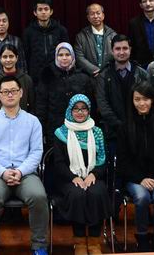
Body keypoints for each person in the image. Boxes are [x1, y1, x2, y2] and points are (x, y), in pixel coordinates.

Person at [0, 76, 48, 255]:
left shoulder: (33, 121)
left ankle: (39, 246)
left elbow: (36, 152)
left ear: (21, 93)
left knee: (39, 196)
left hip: (26, 174)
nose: (10, 95)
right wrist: (3, 172)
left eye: (14, 91)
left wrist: (20, 171)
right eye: (5, 92)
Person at [116, 83, 154, 252]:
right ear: (132, 101)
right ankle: (142, 237)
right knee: (142, 197)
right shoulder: (124, 127)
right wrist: (140, 179)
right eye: (137, 99)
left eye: (146, 99)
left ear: (153, 100)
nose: (142, 103)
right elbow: (123, 161)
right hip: (135, 179)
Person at [50, 94, 109, 255]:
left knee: (97, 193)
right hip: (68, 178)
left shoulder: (97, 132)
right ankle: (80, 242)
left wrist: (93, 175)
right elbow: (59, 163)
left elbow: (103, 160)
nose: (80, 112)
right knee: (77, 195)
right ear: (70, 111)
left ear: (89, 111)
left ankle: (95, 242)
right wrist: (74, 177)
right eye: (76, 109)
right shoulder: (61, 133)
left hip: (93, 176)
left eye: (84, 109)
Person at [95, 34, 149, 156]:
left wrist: (135, 124)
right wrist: (119, 126)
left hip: (140, 130)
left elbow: (147, 102)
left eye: (125, 48)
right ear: (112, 51)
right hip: (113, 133)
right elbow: (103, 105)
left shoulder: (141, 74)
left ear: (130, 49)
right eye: (117, 49)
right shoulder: (103, 75)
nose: (121, 52)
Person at [36, 42, 94, 141]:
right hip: (55, 128)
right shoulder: (47, 75)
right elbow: (41, 105)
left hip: (80, 127)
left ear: (73, 56)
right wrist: (42, 129)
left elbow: (90, 105)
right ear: (56, 56)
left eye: (67, 54)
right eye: (60, 55)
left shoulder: (83, 77)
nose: (64, 58)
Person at [23, 0, 69, 83]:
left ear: (51, 11)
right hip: (36, 76)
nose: (43, 12)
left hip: (57, 74)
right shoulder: (28, 32)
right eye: (40, 9)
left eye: (46, 9)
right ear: (35, 12)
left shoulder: (61, 30)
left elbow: (67, 53)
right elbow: (26, 55)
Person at [0, 43, 35, 112]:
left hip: (21, 118)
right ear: (0, 58)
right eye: (5, 57)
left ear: (17, 58)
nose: (8, 60)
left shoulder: (26, 79)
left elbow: (32, 105)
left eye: (11, 56)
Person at [74, 3, 117, 77]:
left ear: (103, 15)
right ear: (88, 17)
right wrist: (94, 70)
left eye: (98, 13)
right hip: (88, 76)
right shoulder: (81, 36)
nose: (96, 16)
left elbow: (117, 55)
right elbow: (79, 57)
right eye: (92, 14)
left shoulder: (113, 35)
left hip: (109, 75)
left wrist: (105, 72)